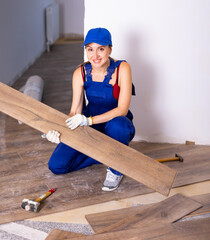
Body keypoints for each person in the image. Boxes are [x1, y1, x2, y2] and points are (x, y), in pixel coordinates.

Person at [45, 27, 135, 191]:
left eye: (101, 49)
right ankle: (107, 154)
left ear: (110, 49)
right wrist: (60, 132)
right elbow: (74, 112)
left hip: (116, 126)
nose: (95, 55)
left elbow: (122, 109)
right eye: (90, 49)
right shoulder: (80, 73)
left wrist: (89, 120)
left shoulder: (123, 69)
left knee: (118, 125)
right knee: (57, 165)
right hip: (89, 127)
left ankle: (116, 169)